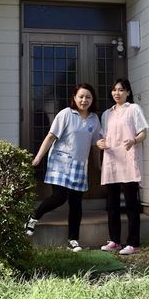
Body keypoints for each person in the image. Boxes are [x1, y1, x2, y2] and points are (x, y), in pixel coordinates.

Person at [26, 83, 101, 252]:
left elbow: (95, 144)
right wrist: (38, 158)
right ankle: (34, 217)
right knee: (59, 197)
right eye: (81, 96)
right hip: (60, 162)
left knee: (76, 203)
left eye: (88, 97)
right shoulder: (66, 114)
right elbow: (51, 137)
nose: (84, 100)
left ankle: (73, 239)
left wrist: (98, 165)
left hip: (79, 165)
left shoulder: (94, 119)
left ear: (92, 99)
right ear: (74, 98)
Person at [97, 78, 149, 255]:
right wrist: (100, 143)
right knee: (112, 204)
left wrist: (134, 140)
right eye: (114, 90)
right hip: (111, 161)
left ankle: (133, 243)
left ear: (128, 92)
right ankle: (115, 241)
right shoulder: (107, 114)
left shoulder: (134, 109)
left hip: (128, 160)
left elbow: (143, 133)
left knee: (131, 204)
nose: (117, 93)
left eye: (121, 90)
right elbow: (103, 136)